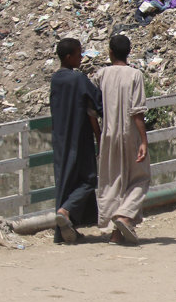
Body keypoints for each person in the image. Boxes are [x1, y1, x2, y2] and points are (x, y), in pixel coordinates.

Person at [93, 34, 150, 245]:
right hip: (130, 133)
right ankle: (124, 217)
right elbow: (137, 112)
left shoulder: (101, 75)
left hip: (108, 134)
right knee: (141, 178)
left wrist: (98, 134)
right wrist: (143, 140)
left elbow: (92, 107)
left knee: (113, 180)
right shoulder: (135, 75)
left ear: (110, 52)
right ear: (129, 51)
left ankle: (115, 233)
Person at [50, 38, 102, 244]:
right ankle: (66, 210)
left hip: (60, 138)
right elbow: (97, 101)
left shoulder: (56, 79)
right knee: (88, 179)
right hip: (79, 138)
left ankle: (63, 231)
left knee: (64, 181)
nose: (81, 57)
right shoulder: (78, 79)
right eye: (79, 54)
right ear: (69, 57)